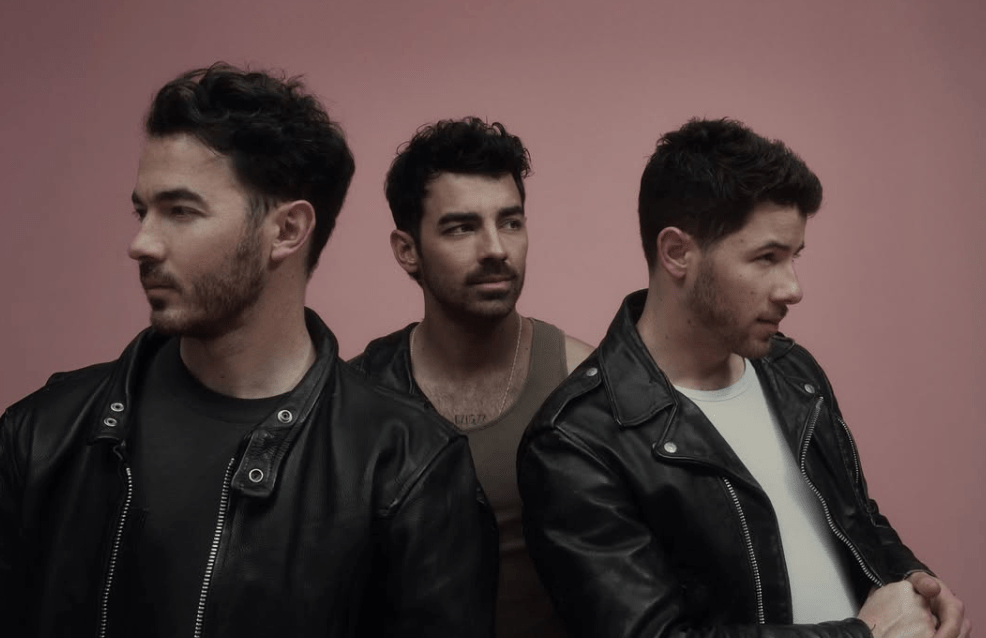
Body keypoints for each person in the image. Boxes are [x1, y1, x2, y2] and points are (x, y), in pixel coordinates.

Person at [0, 64, 495, 637]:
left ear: (287, 231)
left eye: (180, 211)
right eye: (143, 211)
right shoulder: (43, 435)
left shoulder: (407, 466)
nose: (141, 243)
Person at [518, 118, 969, 638]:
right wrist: (860, 635)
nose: (793, 288)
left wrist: (915, 584)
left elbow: (856, 518)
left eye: (794, 257)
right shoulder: (576, 442)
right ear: (677, 253)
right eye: (767, 258)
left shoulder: (793, 371)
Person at [350, 117, 593, 638]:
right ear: (407, 250)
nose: (496, 249)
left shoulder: (582, 382)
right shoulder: (358, 394)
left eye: (510, 222)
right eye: (461, 227)